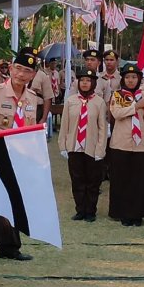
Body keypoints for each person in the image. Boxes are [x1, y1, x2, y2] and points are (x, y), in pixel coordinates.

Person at [0, 52, 39, 267]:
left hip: (20, 155)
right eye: (19, 69)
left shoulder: (32, 98)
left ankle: (10, 247)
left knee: (16, 200)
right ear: (11, 69)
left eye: (28, 71)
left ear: (33, 75)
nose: (22, 74)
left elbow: (30, 129)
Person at [108, 64, 144, 226]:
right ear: (123, 79)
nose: (130, 80)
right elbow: (117, 114)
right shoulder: (118, 95)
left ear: (139, 79)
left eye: (134, 77)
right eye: (127, 77)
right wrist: (136, 106)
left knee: (139, 181)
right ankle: (122, 213)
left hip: (141, 145)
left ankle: (137, 214)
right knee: (121, 180)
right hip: (121, 143)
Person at [58, 69, 107, 222]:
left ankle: (91, 210)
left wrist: (100, 149)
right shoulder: (71, 101)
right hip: (74, 146)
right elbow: (64, 125)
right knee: (77, 179)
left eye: (88, 80)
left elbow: (102, 128)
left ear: (93, 83)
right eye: (82, 80)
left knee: (92, 180)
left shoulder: (99, 102)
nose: (85, 83)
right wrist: (63, 146)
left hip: (92, 147)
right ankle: (80, 209)